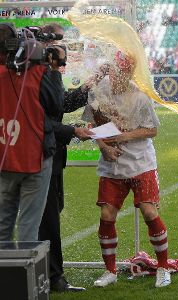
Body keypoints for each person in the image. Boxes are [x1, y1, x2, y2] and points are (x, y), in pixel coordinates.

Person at [82, 52, 171, 288]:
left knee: (149, 212)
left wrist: (123, 136)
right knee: (106, 215)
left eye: (122, 73)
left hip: (141, 162)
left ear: (130, 73)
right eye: (114, 72)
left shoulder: (140, 96)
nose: (116, 77)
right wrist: (103, 148)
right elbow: (91, 126)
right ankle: (110, 271)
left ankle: (163, 267)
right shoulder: (97, 91)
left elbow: (151, 130)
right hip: (111, 163)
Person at [36, 22, 95, 293]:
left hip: (54, 155)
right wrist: (74, 130)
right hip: (39, 156)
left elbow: (60, 105)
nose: (59, 47)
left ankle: (46, 274)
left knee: (52, 211)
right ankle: (52, 278)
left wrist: (85, 89)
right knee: (45, 219)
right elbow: (43, 121)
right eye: (56, 41)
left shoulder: (48, 72)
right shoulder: (38, 74)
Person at [0, 23, 63, 242]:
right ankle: (25, 275)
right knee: (28, 228)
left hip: (5, 158)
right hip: (34, 159)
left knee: (2, 226)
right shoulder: (36, 74)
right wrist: (54, 70)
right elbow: (56, 105)